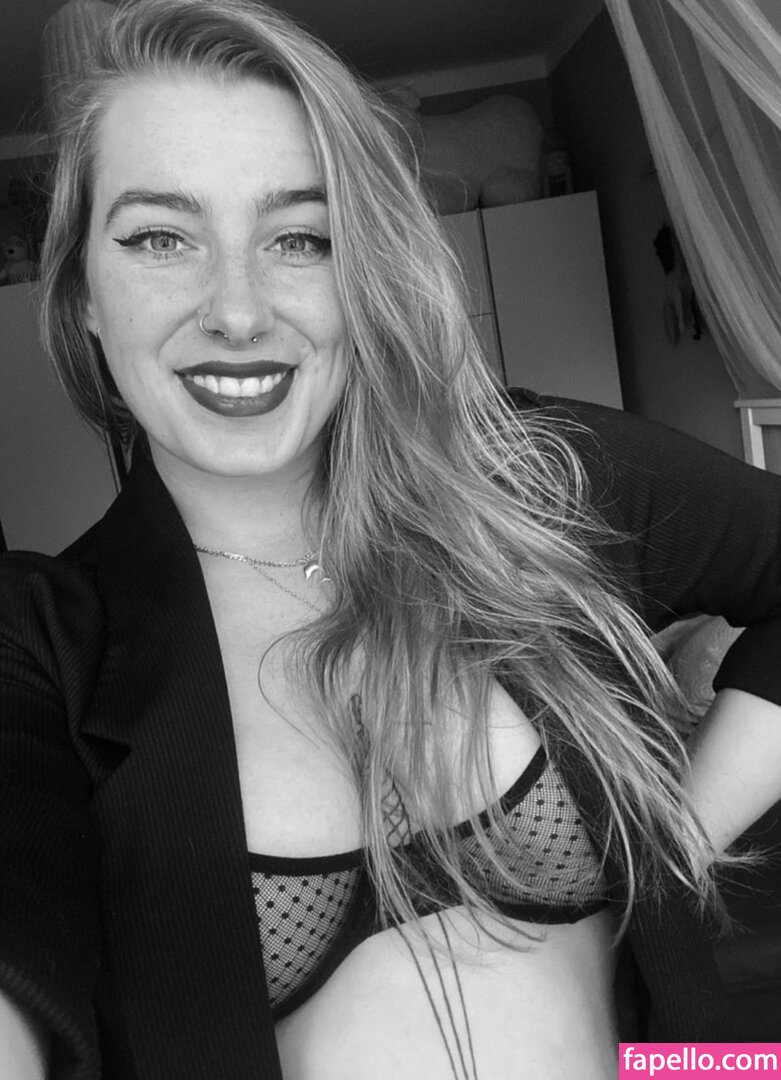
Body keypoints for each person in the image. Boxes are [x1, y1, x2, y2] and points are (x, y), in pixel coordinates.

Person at [2, 0, 781, 1076]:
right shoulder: (39, 644)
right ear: (83, 292)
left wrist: (669, 844)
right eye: (159, 238)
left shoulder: (537, 476)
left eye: (300, 237)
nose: (238, 310)